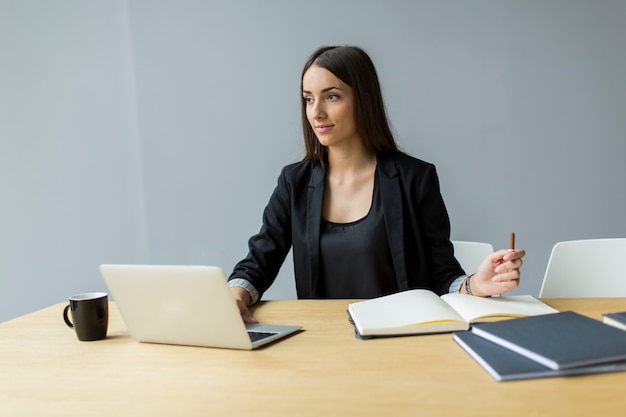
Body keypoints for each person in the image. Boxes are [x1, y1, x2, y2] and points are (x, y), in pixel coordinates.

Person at [228, 45, 525, 323]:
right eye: (308, 98)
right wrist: (235, 296)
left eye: (332, 96)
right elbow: (258, 262)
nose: (316, 112)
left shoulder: (415, 179)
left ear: (363, 100)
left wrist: (477, 284)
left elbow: (442, 275)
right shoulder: (294, 182)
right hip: (323, 343)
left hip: (400, 338)